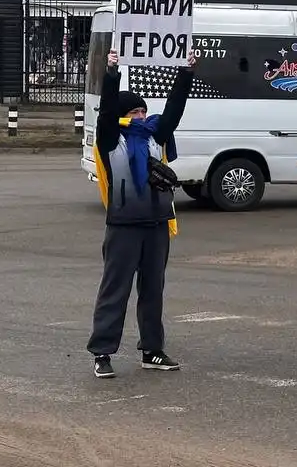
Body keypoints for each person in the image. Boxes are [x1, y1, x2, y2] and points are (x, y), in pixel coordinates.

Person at [88, 48, 195, 378]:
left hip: (157, 225)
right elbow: (106, 113)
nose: (141, 115)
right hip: (123, 226)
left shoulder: (154, 136)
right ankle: (102, 352)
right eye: (134, 111)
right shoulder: (111, 141)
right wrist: (111, 74)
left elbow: (174, 110)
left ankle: (152, 350)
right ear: (123, 115)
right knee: (115, 290)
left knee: (153, 291)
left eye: (143, 110)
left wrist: (186, 73)